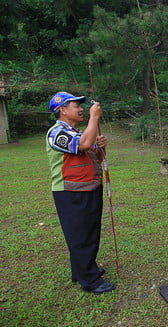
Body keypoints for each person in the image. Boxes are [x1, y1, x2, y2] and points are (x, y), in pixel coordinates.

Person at [46, 92, 114, 294]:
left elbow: (96, 157)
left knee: (89, 232)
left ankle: (82, 270)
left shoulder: (79, 132)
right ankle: (90, 280)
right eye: (76, 105)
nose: (81, 108)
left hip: (89, 188)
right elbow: (83, 145)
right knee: (80, 236)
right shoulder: (56, 133)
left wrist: (101, 148)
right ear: (62, 110)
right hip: (70, 192)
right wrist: (94, 117)